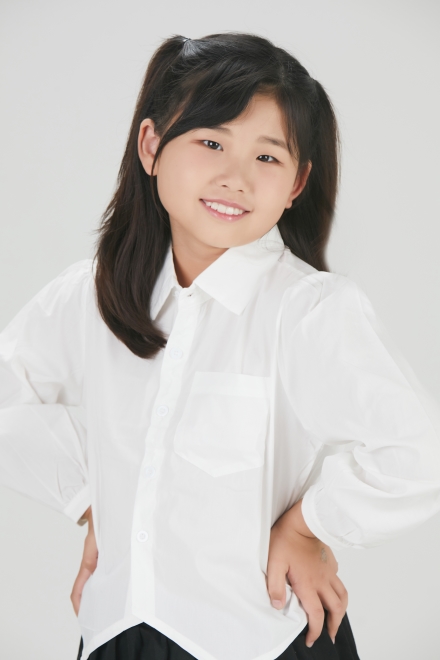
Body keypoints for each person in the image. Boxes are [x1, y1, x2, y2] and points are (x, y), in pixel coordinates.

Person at [1, 31, 440, 660]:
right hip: (118, 631)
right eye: (211, 142)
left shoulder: (308, 310)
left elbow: (417, 453)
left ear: (297, 183)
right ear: (151, 145)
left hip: (262, 639)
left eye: (267, 157)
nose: (235, 178)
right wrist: (96, 499)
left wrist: (308, 525)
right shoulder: (93, 295)